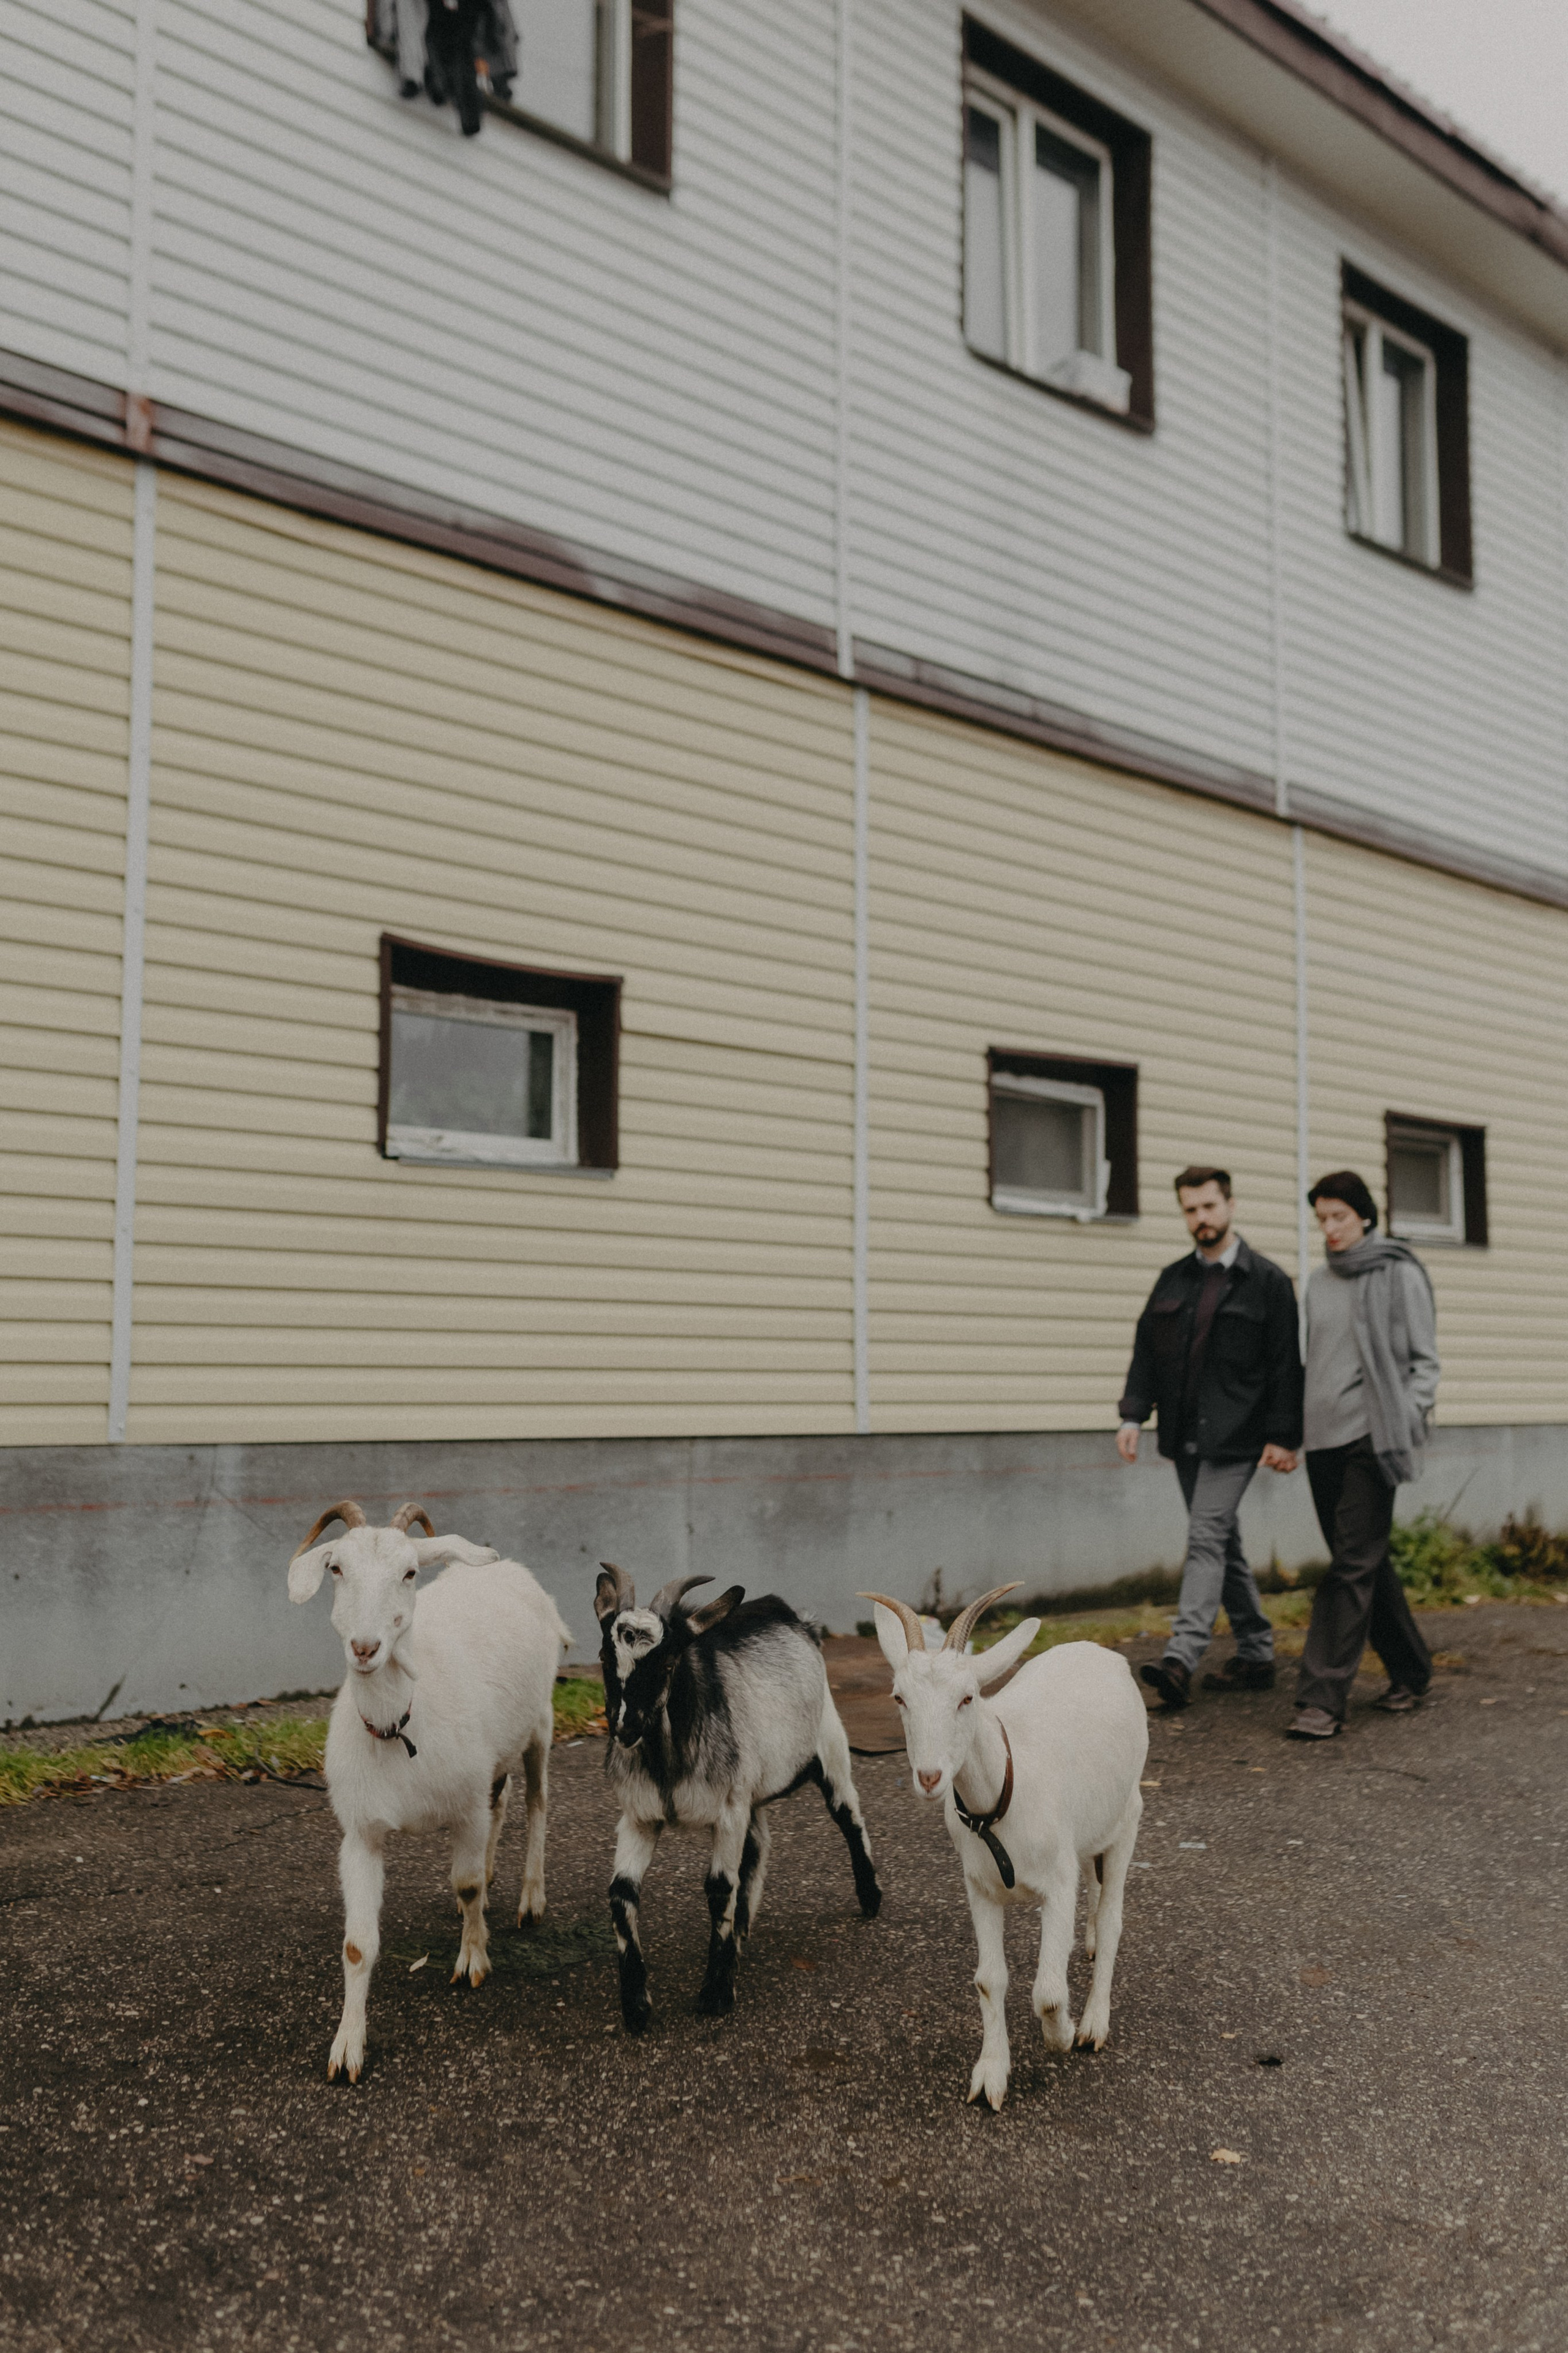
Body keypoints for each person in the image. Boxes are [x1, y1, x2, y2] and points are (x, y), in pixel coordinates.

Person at [1117, 1167, 1303, 1712]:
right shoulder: (1173, 1278)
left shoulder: (1267, 1280)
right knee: (1223, 1543)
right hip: (1182, 1433)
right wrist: (1133, 1415)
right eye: (1190, 1210)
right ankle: (1257, 1651)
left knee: (1204, 1536)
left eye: (1209, 1207)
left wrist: (1284, 1436)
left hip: (1238, 1436)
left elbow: (1285, 1366)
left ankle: (1181, 1658)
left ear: (1230, 1205)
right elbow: (1145, 1352)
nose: (1200, 1219)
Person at [1286, 1171, 1440, 1742]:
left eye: (1338, 1217)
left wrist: (1404, 1416)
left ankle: (1321, 1699)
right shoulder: (1319, 1282)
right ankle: (1412, 1669)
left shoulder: (1399, 1273)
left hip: (1373, 1439)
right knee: (1364, 1559)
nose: (1328, 1229)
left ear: (1365, 1216)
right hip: (1321, 1441)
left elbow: (1426, 1362)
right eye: (1321, 1219)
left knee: (1350, 1566)